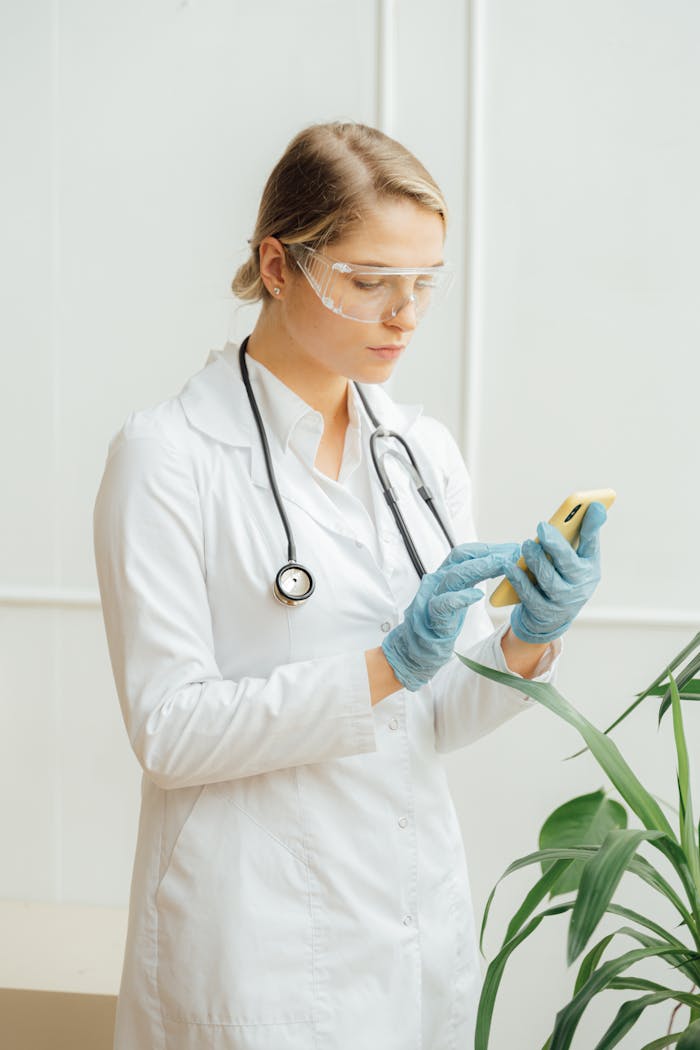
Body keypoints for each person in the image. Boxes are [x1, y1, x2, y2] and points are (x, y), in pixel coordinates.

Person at [93, 120, 606, 1050]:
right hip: (255, 949)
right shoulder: (167, 457)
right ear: (278, 265)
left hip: (411, 931)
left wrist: (529, 638)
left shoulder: (419, 452)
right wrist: (384, 665)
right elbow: (168, 731)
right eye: (370, 283)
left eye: (423, 285)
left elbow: (432, 717)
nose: (404, 316)